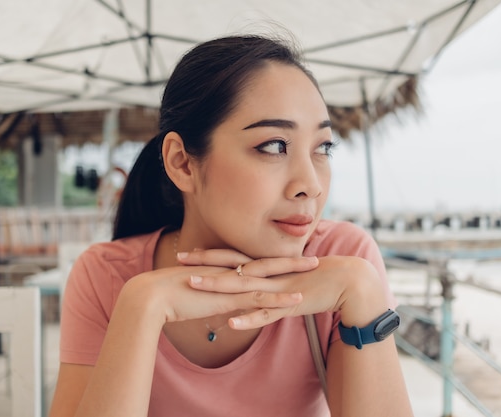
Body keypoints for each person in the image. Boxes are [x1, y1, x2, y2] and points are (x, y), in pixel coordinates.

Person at [49, 33, 414, 417]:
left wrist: (362, 291)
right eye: (274, 145)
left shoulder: (344, 261)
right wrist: (142, 308)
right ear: (183, 163)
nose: (311, 185)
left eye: (322, 148)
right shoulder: (107, 277)